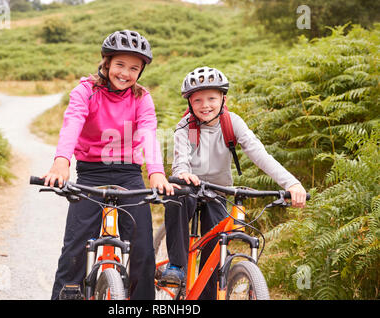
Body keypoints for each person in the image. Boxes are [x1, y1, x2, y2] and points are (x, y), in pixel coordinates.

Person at [42, 30, 174, 300]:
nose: (125, 73)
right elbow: (73, 123)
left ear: (141, 71)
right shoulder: (85, 92)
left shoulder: (142, 98)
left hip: (129, 175)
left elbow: (149, 131)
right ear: (106, 63)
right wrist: (61, 161)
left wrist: (157, 173)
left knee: (143, 250)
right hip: (91, 173)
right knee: (75, 247)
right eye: (120, 65)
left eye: (134, 68)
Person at [161, 66, 307, 299]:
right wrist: (184, 175)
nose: (205, 105)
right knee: (177, 197)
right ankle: (176, 267)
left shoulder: (232, 123)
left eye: (211, 98)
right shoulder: (185, 128)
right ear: (189, 103)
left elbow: (260, 155)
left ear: (223, 98)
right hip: (190, 187)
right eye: (197, 100)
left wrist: (291, 183)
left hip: (218, 191)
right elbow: (180, 161)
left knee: (215, 251)